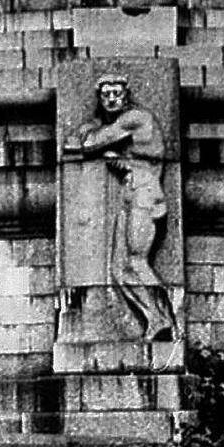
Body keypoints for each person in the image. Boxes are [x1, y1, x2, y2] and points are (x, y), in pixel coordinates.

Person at [66, 75, 177, 342]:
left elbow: (88, 143)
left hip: (145, 194)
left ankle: (171, 318)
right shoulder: (126, 130)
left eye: (116, 93)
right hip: (131, 192)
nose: (112, 99)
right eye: (106, 95)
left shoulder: (134, 118)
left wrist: (90, 130)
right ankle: (155, 319)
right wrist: (124, 162)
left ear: (126, 95)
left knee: (136, 261)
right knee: (119, 270)